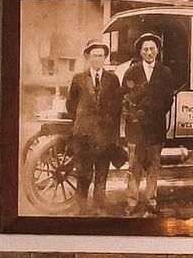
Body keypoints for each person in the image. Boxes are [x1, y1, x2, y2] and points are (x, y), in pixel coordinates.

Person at [120, 31, 178, 214]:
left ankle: (151, 200)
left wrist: (155, 111)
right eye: (145, 49)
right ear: (141, 52)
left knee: (153, 166)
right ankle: (131, 202)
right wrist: (134, 115)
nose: (149, 52)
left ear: (158, 51)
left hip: (155, 128)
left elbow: (169, 98)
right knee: (134, 167)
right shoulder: (132, 71)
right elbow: (125, 97)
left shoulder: (165, 72)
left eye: (152, 48)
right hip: (136, 129)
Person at [64, 40, 123, 211]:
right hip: (84, 136)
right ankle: (82, 208)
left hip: (105, 136)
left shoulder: (112, 79)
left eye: (101, 55)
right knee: (84, 173)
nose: (98, 59)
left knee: (102, 173)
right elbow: (71, 105)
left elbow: (117, 107)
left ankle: (99, 206)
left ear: (105, 57)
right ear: (87, 57)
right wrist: (84, 122)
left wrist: (113, 135)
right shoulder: (78, 79)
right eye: (94, 55)